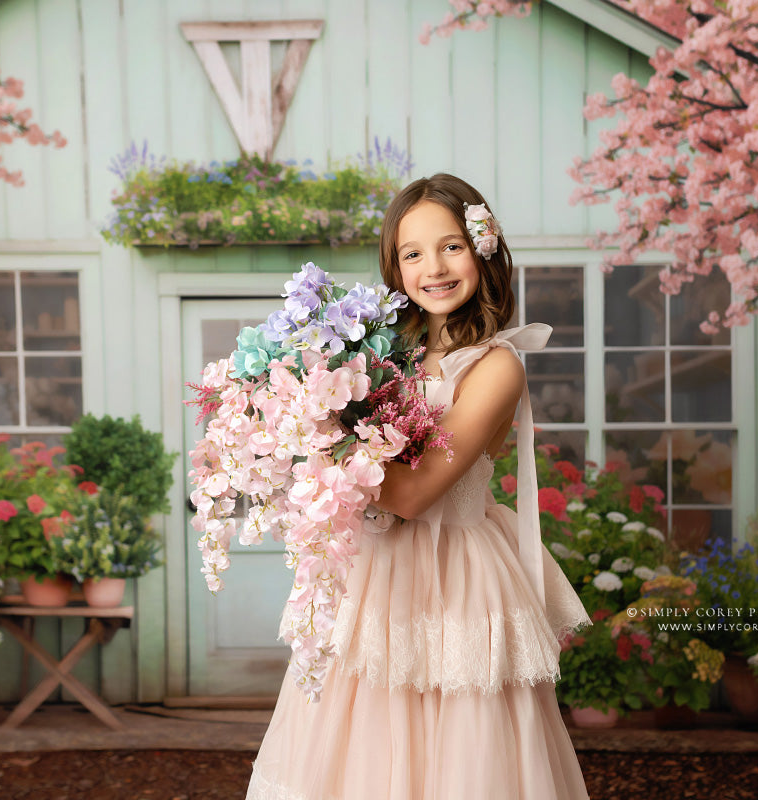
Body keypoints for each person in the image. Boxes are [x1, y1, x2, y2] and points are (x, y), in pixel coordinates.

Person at [246, 173, 592, 799]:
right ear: (394, 268)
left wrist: (317, 424)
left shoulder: (495, 365)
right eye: (413, 253)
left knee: (459, 749)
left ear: (484, 250)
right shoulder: (383, 353)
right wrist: (295, 408)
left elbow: (410, 494)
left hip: (453, 571)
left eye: (452, 245)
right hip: (374, 573)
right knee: (362, 744)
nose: (433, 267)